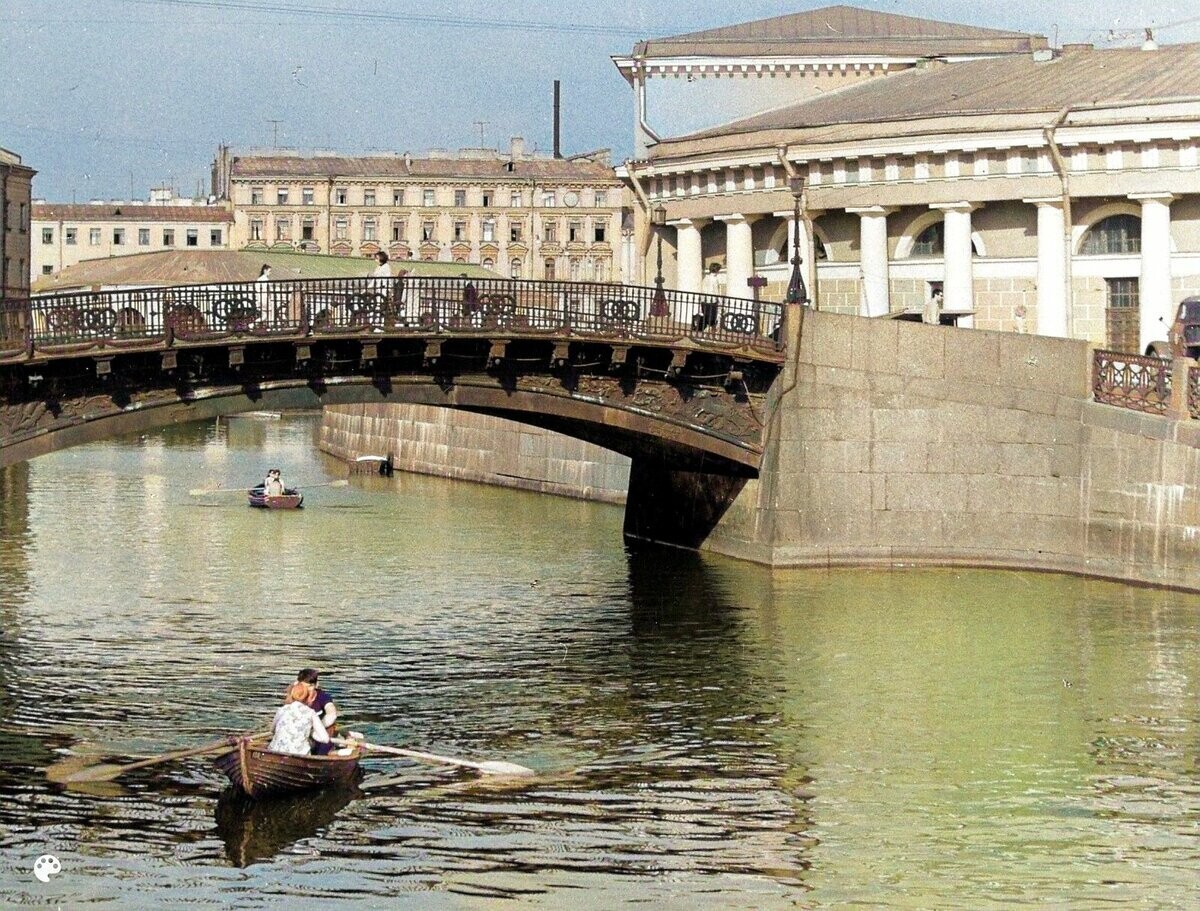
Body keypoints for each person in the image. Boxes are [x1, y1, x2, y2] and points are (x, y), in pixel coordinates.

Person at [267, 681, 330, 756]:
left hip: (275, 751)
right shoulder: (311, 713)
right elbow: (325, 739)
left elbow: (272, 730)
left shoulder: (282, 710)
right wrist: (311, 732)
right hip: (299, 754)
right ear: (307, 697)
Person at [298, 668, 338, 755]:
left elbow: (332, 714)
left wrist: (317, 727)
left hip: (319, 734)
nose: (306, 690)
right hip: (302, 734)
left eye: (310, 686)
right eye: (303, 686)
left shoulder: (323, 697)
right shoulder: (296, 696)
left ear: (316, 685)